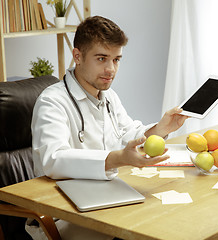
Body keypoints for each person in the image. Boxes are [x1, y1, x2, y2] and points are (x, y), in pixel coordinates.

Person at [29, 16, 188, 240]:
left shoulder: (108, 96)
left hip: (106, 196)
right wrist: (118, 159)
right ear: (78, 56)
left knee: (167, 220)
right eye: (102, 58)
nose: (110, 69)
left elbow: (128, 135)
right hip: (64, 213)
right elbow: (54, 160)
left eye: (116, 60)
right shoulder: (52, 101)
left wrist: (161, 129)